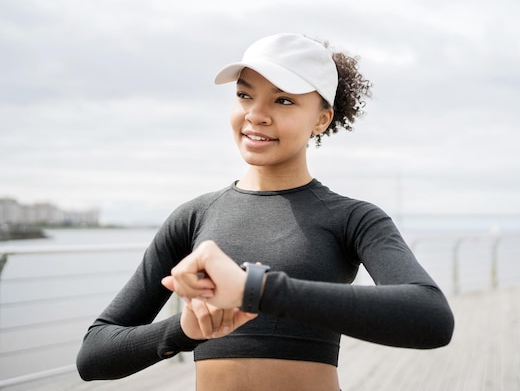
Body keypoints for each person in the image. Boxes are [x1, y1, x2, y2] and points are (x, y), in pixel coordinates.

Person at [76, 33, 454, 391]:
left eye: (283, 100)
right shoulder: (193, 217)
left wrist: (253, 290)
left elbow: (431, 318)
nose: (255, 115)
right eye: (244, 95)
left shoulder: (352, 219)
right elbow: (93, 355)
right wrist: (185, 330)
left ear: (321, 119)